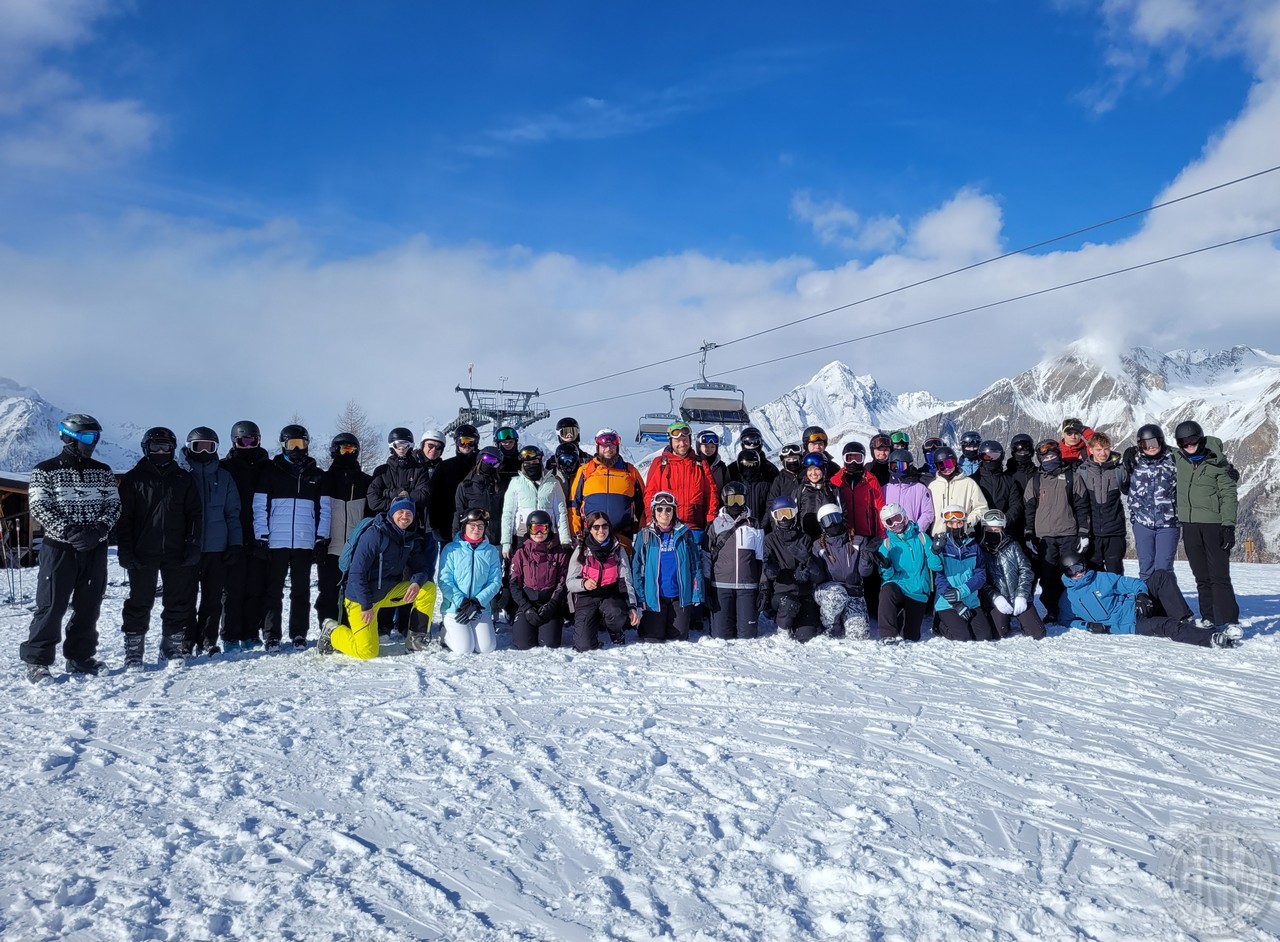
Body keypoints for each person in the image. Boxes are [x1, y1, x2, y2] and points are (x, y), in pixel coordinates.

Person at [20, 414, 121, 683]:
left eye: (96, 437)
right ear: (69, 437)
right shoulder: (46, 470)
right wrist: (69, 531)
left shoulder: (102, 471)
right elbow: (40, 506)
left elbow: (114, 505)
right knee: (52, 605)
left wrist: (100, 530)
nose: (93, 443)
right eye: (88, 437)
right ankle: (38, 661)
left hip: (94, 548)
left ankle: (79, 657)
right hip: (60, 549)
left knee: (89, 605)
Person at [117, 427, 202, 667]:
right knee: (139, 601)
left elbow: (195, 515)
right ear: (146, 448)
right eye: (156, 447)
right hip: (142, 552)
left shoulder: (183, 479)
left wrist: (193, 545)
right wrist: (125, 550)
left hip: (177, 551)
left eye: (166, 447)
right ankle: (134, 650)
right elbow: (124, 520)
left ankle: (171, 647)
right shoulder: (134, 479)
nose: (162, 451)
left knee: (177, 601)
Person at [320, 495, 438, 660]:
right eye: (401, 511)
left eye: (409, 513)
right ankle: (332, 631)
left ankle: (416, 640)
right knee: (367, 652)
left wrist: (417, 582)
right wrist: (366, 605)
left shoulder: (409, 538)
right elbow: (356, 573)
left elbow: (422, 567)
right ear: (392, 513)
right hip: (361, 599)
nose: (405, 516)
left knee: (428, 588)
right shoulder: (374, 534)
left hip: (387, 592)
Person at [1059, 551, 1242, 648]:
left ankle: (1185, 619)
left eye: (1080, 567)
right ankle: (1212, 639)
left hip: (1140, 607)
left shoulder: (1101, 578)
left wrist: (1141, 596)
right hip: (1129, 624)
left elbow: (1132, 584)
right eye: (1072, 570)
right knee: (1167, 626)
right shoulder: (1068, 598)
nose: (1079, 573)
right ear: (1066, 573)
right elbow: (1066, 620)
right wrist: (1088, 626)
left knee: (1161, 576)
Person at [253, 424, 329, 649]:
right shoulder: (271, 471)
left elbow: (324, 510)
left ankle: (298, 633)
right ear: (283, 445)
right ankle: (271, 635)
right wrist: (261, 536)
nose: (296, 449)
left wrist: (321, 538)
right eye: (292, 444)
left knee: (301, 590)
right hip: (276, 541)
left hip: (304, 542)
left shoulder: (317, 475)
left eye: (301, 444)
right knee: (273, 590)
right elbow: (259, 506)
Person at [181, 427, 242, 656]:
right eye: (200, 446)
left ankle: (207, 639)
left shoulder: (223, 477)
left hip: (217, 548)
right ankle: (186, 640)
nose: (205, 451)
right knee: (186, 597)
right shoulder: (181, 475)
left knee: (213, 597)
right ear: (190, 447)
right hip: (188, 547)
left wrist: (235, 543)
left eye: (210, 447)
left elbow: (232, 513)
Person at [1173, 420, 1240, 628]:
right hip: (1190, 525)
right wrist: (1131, 452)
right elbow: (1153, 449)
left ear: (1201, 438)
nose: (1189, 445)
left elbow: (1229, 495)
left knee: (1219, 576)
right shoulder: (1178, 459)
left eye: (1193, 440)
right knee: (1201, 575)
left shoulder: (1217, 463)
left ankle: (1229, 620)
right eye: (1184, 442)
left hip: (1214, 525)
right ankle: (1209, 617)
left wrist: (1228, 525)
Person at [1023, 440, 1090, 623]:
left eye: (1053, 456)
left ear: (1059, 456)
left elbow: (1082, 506)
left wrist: (1083, 533)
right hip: (1045, 537)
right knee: (1048, 577)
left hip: (1068, 533)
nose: (1050, 459)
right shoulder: (1035, 481)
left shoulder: (1072, 477)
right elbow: (1029, 510)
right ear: (1040, 459)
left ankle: (1073, 609)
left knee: (1071, 574)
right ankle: (1052, 610)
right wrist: (1029, 534)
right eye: (1046, 457)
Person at [220, 420, 271, 650]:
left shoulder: (267, 467)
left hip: (260, 535)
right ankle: (230, 634)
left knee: (255, 587)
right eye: (244, 441)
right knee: (233, 588)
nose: (249, 445)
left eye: (253, 440)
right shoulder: (226, 467)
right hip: (234, 535)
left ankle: (251, 632)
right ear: (235, 442)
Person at [317, 432, 373, 634]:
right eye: (343, 449)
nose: (348, 453)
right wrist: (319, 542)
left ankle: (352, 630)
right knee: (328, 593)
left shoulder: (366, 481)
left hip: (356, 549)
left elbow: (371, 516)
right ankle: (329, 631)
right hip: (330, 547)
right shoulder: (323, 479)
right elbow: (316, 513)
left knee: (354, 592)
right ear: (334, 451)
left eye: (352, 449)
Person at [631, 491, 704, 643]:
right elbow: (636, 568)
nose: (664, 513)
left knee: (678, 637)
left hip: (679, 596)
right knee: (652, 638)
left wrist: (697, 593)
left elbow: (695, 564)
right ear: (653, 511)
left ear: (674, 511)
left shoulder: (684, 534)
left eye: (668, 509)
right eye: (659, 509)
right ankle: (649, 623)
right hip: (654, 597)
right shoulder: (644, 535)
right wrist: (640, 597)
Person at [566, 511, 641, 651]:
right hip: (587, 597)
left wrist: (632, 607)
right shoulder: (581, 549)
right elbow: (569, 582)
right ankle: (593, 625)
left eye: (604, 526)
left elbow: (626, 580)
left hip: (609, 595)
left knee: (616, 613)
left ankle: (615, 631)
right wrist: (583, 583)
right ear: (590, 529)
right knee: (584, 646)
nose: (601, 530)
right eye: (596, 527)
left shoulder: (617, 549)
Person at [871, 502, 942, 644]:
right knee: (887, 590)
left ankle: (902, 616)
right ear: (885, 525)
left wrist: (934, 552)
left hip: (917, 590)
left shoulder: (921, 538)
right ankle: (887, 635)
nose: (895, 524)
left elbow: (936, 567)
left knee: (910, 636)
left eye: (897, 518)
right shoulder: (887, 544)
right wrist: (886, 566)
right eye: (889, 522)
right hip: (898, 585)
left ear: (904, 516)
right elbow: (887, 576)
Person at [437, 507, 504, 654]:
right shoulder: (451, 549)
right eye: (472, 525)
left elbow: (495, 581)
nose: (476, 529)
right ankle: (446, 634)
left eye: (480, 526)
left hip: (479, 608)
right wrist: (461, 601)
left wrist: (477, 602)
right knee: (464, 649)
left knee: (486, 648)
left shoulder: (491, 551)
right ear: (464, 526)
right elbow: (444, 580)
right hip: (455, 608)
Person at [704, 480, 764, 640]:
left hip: (747, 586)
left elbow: (761, 557)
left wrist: (762, 586)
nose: (736, 504)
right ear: (724, 500)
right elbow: (706, 556)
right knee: (721, 637)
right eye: (731, 500)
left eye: (740, 499)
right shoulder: (715, 525)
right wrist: (705, 584)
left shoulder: (754, 524)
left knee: (748, 636)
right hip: (720, 586)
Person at [1121, 424, 1180, 579]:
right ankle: (1149, 601)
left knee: (1164, 568)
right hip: (1142, 522)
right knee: (1146, 567)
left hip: (1168, 522)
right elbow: (1103, 460)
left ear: (1161, 441)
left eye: (1154, 442)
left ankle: (1167, 602)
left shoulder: (1174, 458)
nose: (1150, 447)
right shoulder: (1133, 460)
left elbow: (1196, 461)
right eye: (1145, 444)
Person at [759, 495, 820, 642]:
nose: (785, 518)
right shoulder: (770, 539)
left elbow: (815, 569)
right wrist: (771, 571)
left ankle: (799, 623)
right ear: (775, 517)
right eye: (781, 514)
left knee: (806, 636)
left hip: (803, 592)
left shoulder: (804, 538)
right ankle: (783, 628)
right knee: (789, 604)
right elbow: (766, 566)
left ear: (794, 514)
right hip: (782, 593)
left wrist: (807, 568)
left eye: (788, 513)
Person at [569, 429, 647, 544]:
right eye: (604, 446)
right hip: (591, 536)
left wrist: (643, 531)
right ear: (598, 447)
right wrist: (576, 533)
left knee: (624, 562)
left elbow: (643, 505)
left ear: (617, 447)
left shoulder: (630, 472)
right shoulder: (585, 471)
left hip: (622, 536)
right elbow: (573, 504)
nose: (608, 449)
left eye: (612, 446)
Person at [976, 509, 1045, 639]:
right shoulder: (980, 550)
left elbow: (1026, 570)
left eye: (996, 530)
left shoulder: (1013, 546)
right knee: (998, 634)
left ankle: (1021, 616)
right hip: (998, 599)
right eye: (989, 530)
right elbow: (981, 580)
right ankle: (1004, 618)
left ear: (1002, 529)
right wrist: (995, 597)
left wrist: (1022, 595)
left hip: (1018, 595)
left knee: (1038, 633)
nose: (992, 533)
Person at [932, 503, 996, 642]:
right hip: (947, 602)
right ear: (946, 523)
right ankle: (939, 623)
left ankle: (961, 622)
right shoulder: (941, 546)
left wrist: (962, 591)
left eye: (959, 522)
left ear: (964, 523)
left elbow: (980, 574)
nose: (955, 526)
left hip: (970, 600)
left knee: (984, 636)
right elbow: (939, 577)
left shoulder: (973, 546)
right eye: (951, 523)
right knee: (963, 637)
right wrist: (956, 603)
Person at [509, 509, 571, 650]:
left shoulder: (559, 552)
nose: (539, 533)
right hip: (528, 603)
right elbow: (514, 584)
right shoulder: (521, 552)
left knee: (549, 643)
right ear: (529, 529)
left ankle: (551, 624)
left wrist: (552, 605)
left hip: (550, 603)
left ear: (548, 528)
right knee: (523, 644)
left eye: (542, 528)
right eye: (535, 528)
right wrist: (526, 608)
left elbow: (562, 582)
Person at [644, 421, 718, 539]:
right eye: (677, 441)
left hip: (694, 527)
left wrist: (711, 519)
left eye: (685, 440)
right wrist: (650, 518)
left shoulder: (700, 463)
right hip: (667, 527)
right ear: (671, 442)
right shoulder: (660, 464)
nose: (682, 444)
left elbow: (711, 493)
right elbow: (650, 494)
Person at [811, 503, 873, 638]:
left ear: (842, 519)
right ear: (822, 525)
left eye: (835, 518)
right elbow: (818, 578)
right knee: (837, 594)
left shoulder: (858, 541)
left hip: (852, 590)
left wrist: (867, 559)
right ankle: (831, 627)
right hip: (829, 592)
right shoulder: (818, 546)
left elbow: (865, 572)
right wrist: (811, 566)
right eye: (827, 521)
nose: (833, 524)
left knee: (860, 635)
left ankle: (847, 619)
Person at [501, 444, 571, 558]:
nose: (531, 465)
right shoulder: (516, 483)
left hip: (547, 533)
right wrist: (506, 542)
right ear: (522, 464)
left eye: (534, 462)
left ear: (540, 461)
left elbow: (561, 513)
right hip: (522, 533)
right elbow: (508, 514)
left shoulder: (553, 483)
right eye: (527, 463)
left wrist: (565, 539)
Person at [1077, 431, 1128, 574]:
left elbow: (1132, 490)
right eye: (1098, 449)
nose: (1103, 453)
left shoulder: (1119, 470)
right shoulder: (1082, 472)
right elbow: (1078, 504)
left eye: (1106, 448)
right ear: (1091, 450)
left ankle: (1116, 596)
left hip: (1115, 531)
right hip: (1092, 532)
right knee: (1093, 572)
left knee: (1115, 571)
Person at [427, 424, 479, 547]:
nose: (466, 445)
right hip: (449, 526)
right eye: (462, 441)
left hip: (477, 526)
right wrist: (435, 525)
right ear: (456, 443)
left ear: (476, 443)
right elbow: (434, 498)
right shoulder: (445, 467)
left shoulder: (482, 466)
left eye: (470, 442)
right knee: (451, 562)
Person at [926, 445, 988, 535]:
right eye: (941, 465)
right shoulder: (933, 486)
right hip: (938, 535)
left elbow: (982, 508)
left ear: (955, 463)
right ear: (936, 466)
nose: (946, 468)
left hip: (962, 534)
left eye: (949, 464)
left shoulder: (968, 483)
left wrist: (967, 522)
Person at [972, 440, 1025, 543]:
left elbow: (1016, 505)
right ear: (980, 457)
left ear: (1001, 457)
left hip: (1004, 531)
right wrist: (978, 522)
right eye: (986, 456)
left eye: (995, 456)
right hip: (979, 532)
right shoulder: (974, 480)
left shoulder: (1009, 481)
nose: (991, 459)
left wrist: (1004, 520)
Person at [830, 441, 884, 541]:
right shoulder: (836, 481)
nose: (853, 462)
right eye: (849, 458)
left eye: (858, 458)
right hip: (844, 535)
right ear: (844, 458)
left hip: (867, 535)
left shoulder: (871, 480)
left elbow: (879, 509)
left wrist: (880, 535)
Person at [454, 446, 505, 543]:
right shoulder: (466, 485)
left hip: (495, 537)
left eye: (495, 463)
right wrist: (456, 537)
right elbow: (459, 513)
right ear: (480, 459)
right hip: (472, 537)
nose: (490, 464)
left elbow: (505, 512)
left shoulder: (499, 486)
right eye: (487, 459)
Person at [883, 449, 935, 533]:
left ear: (910, 466)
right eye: (894, 466)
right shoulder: (885, 490)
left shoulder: (920, 489)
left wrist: (916, 530)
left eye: (902, 466)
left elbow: (928, 512)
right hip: (890, 537)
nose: (898, 470)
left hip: (912, 536)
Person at [796, 453, 841, 540]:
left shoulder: (833, 490)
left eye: (817, 469)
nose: (813, 473)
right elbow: (795, 517)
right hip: (807, 540)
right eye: (809, 469)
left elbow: (843, 514)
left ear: (824, 469)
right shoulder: (800, 491)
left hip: (830, 540)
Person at [729, 447, 773, 523]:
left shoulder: (765, 485)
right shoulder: (734, 485)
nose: (749, 467)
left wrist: (763, 525)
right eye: (745, 464)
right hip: (738, 527)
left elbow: (770, 506)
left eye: (752, 464)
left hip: (761, 527)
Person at [764, 442, 805, 511]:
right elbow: (771, 504)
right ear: (783, 462)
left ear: (800, 459)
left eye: (795, 458)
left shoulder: (807, 475)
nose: (792, 461)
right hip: (787, 517)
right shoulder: (779, 480)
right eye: (788, 459)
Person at [697, 430, 730, 496]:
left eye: (712, 447)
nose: (709, 449)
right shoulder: (694, 465)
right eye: (706, 446)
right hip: (698, 505)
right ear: (699, 447)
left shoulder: (721, 467)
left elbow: (728, 488)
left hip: (717, 504)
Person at [493, 426, 522, 494]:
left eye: (511, 442)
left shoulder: (521, 461)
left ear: (515, 443)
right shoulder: (493, 461)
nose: (508, 444)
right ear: (498, 443)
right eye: (504, 442)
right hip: (496, 499)